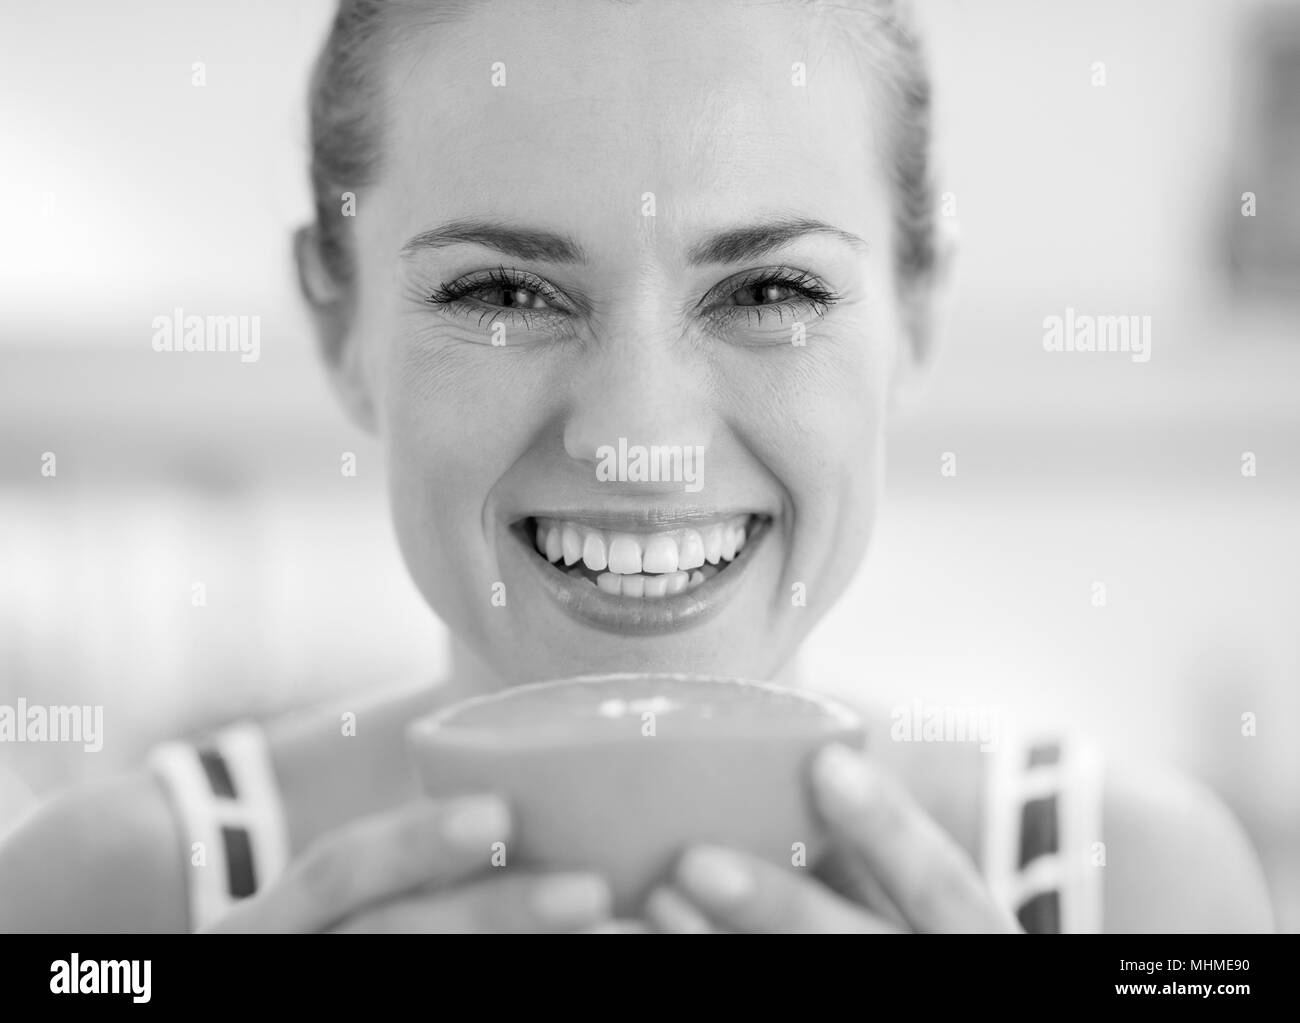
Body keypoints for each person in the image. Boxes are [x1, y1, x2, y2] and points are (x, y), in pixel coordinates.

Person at [0, 0, 1273, 934]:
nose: (640, 440)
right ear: (339, 327)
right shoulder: (101, 913)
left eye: (769, 287)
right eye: (502, 291)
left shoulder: (1142, 899)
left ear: (919, 313)